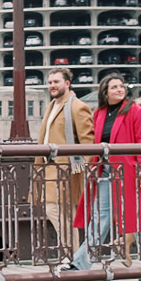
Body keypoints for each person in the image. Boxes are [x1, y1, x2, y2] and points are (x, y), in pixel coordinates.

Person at [73, 73, 141, 269]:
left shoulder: (136, 112)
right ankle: (81, 262)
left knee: (140, 216)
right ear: (105, 93)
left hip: (130, 173)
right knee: (99, 215)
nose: (120, 90)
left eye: (121, 86)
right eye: (114, 87)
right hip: (106, 171)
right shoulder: (99, 113)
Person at [35, 62, 94, 265]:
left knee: (57, 211)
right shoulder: (52, 106)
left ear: (67, 83)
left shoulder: (77, 106)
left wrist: (82, 169)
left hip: (66, 170)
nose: (52, 85)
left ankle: (72, 256)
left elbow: (88, 142)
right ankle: (76, 258)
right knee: (63, 215)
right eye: (50, 82)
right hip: (50, 169)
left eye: (56, 82)